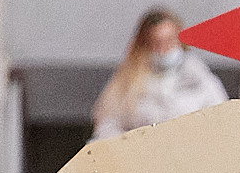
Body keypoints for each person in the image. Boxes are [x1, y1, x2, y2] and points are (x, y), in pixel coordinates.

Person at [92, 8, 229, 139]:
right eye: (157, 43)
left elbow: (223, 122)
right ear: (145, 45)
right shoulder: (126, 83)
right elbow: (106, 127)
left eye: (170, 40)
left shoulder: (201, 79)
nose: (165, 49)